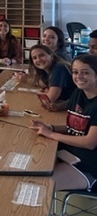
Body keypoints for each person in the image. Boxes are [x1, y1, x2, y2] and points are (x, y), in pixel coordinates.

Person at [30, 55, 97, 191]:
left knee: (36, 187)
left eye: (85, 72)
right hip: (69, 154)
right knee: (29, 169)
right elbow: (76, 126)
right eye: (75, 72)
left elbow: (89, 142)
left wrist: (51, 134)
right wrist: (51, 127)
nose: (79, 76)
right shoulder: (78, 93)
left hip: (89, 166)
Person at [21, 44, 75, 111]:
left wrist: (41, 93)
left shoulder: (59, 68)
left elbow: (48, 101)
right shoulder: (45, 70)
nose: (38, 59)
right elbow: (43, 85)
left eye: (41, 55)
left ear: (51, 56)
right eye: (34, 58)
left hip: (74, 110)